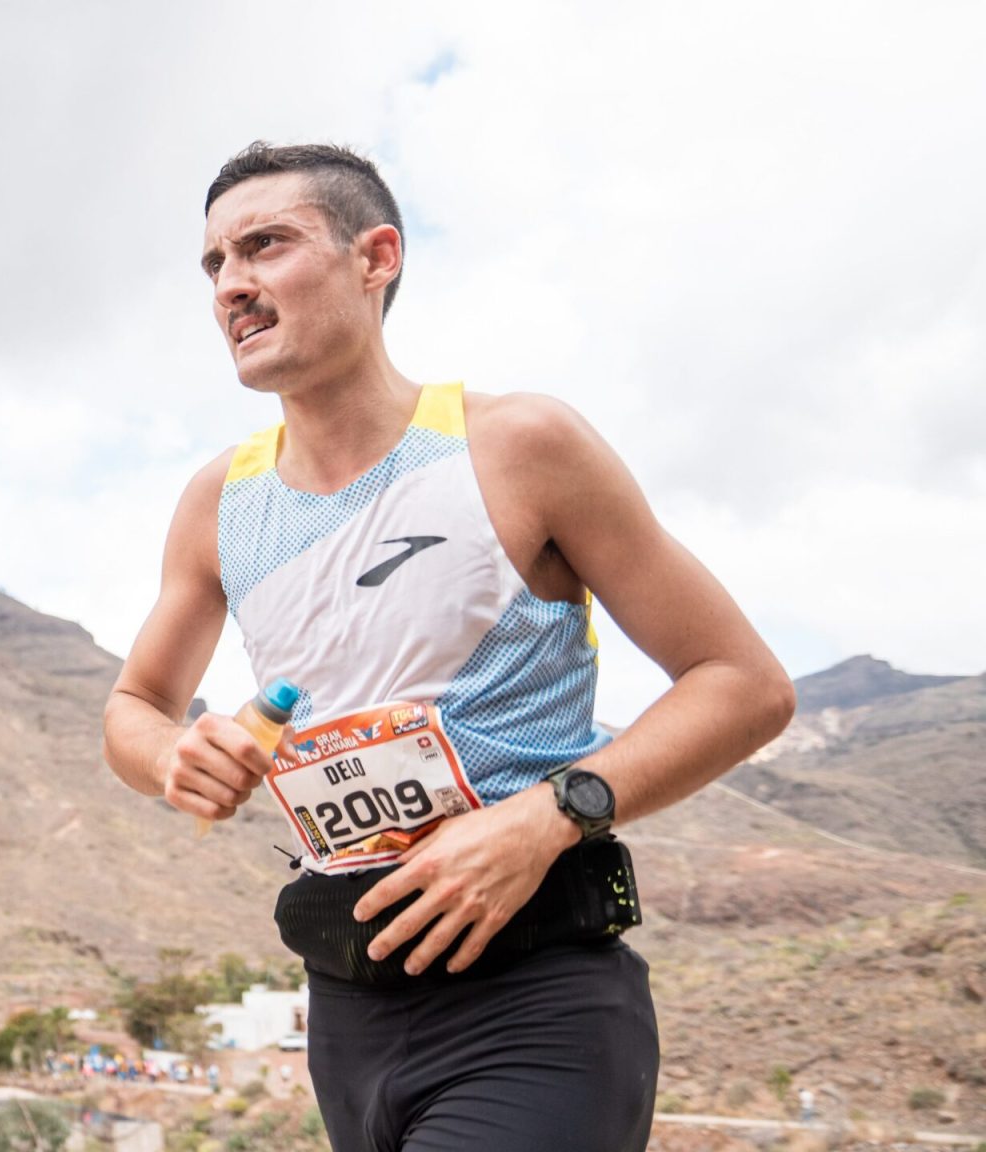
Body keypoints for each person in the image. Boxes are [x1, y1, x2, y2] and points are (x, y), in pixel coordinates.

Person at [100, 142, 795, 1152]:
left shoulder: (517, 447)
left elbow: (743, 685)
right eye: (213, 265)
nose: (231, 287)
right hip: (346, 1011)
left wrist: (551, 817)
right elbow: (133, 707)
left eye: (263, 247)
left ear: (372, 256)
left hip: (534, 999)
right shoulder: (217, 503)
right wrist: (173, 756)